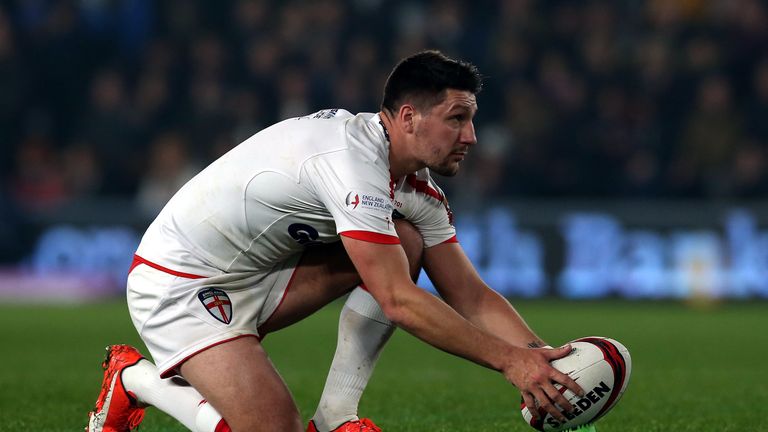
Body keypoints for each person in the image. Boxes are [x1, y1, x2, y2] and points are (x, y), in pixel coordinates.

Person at [86, 50, 585, 432]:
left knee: (404, 241)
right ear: (408, 117)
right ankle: (135, 379)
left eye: (471, 119)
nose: (471, 136)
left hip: (262, 273)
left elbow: (471, 295)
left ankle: (335, 416)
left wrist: (541, 358)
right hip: (178, 283)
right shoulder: (350, 163)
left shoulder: (417, 189)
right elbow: (398, 302)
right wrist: (508, 362)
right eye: (457, 118)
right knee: (272, 428)